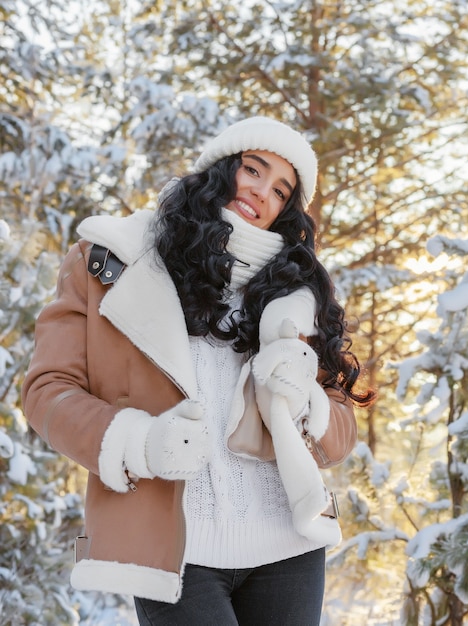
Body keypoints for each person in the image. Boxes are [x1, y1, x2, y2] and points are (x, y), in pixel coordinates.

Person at [22, 116, 375, 625]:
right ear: (218, 168)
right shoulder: (112, 261)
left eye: (281, 190)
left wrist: (308, 404)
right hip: (174, 553)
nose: (262, 192)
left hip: (289, 548)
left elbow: (339, 433)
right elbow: (47, 391)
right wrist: (140, 442)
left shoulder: (295, 293)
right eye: (253, 169)